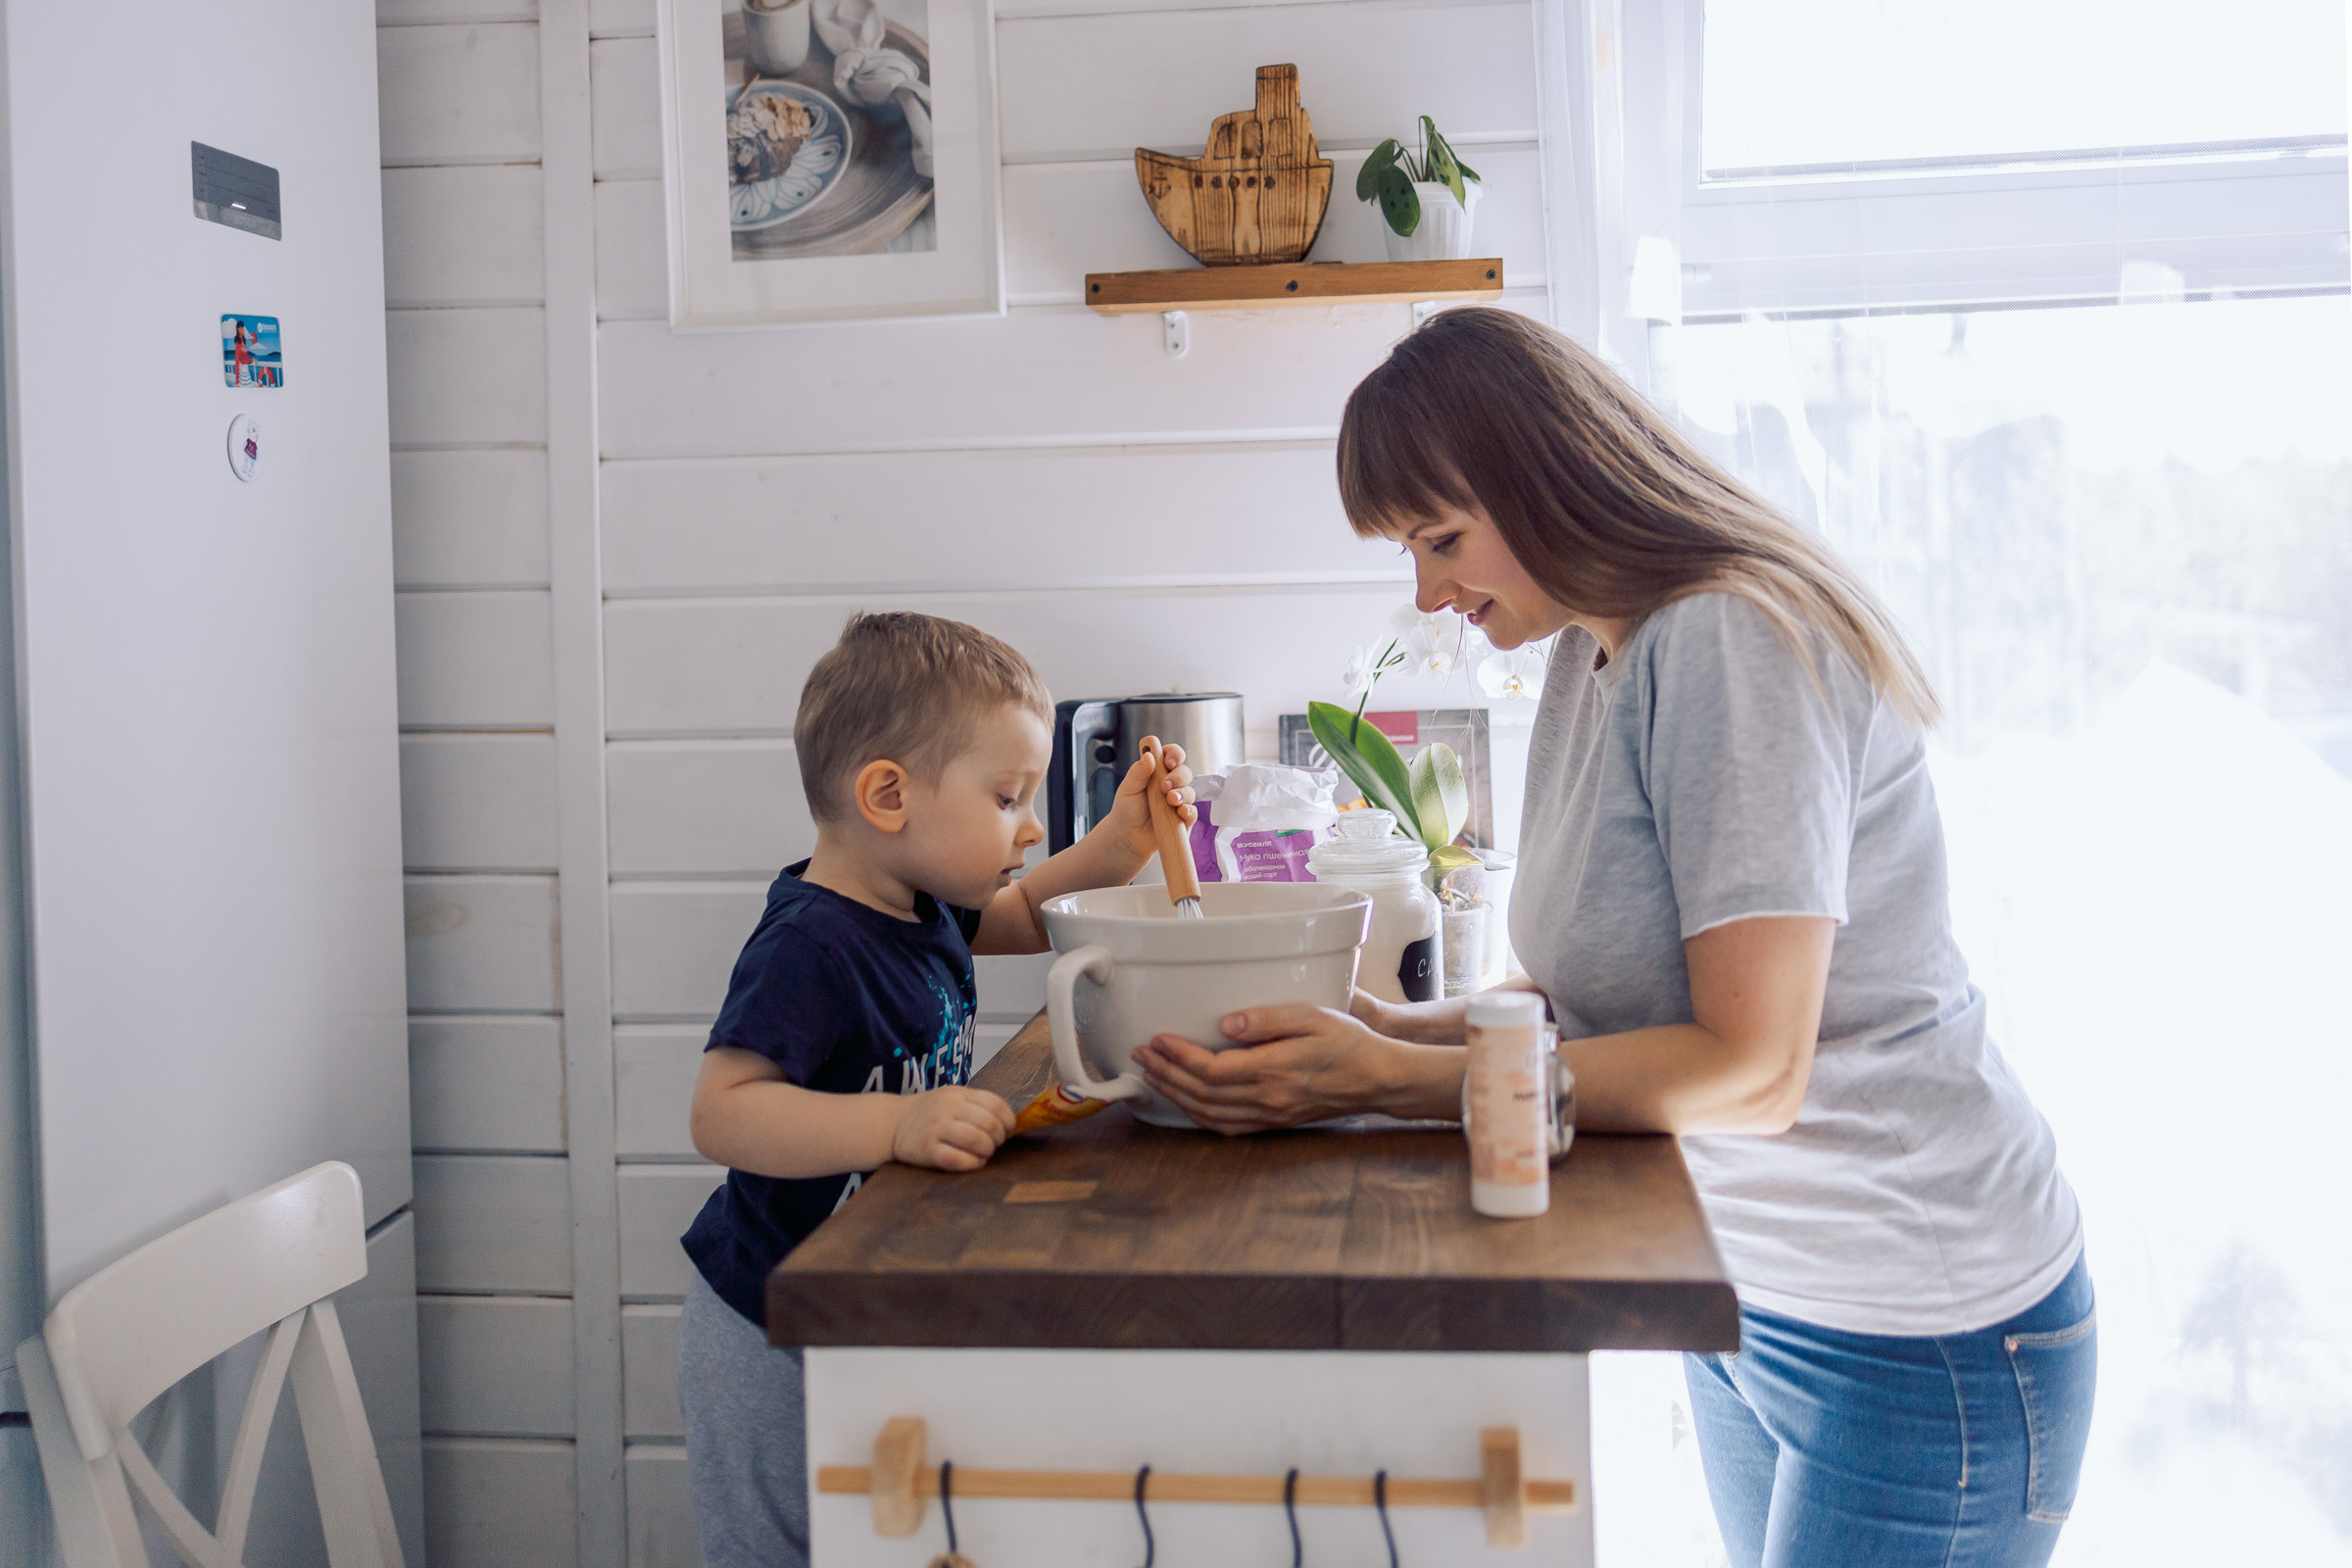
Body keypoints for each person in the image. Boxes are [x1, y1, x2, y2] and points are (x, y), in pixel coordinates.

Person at [1131, 308, 2095, 1568]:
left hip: (1926, 1322)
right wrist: (1383, 1029)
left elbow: (1754, 1069)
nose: (1427, 593)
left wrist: (1404, 1082)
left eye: (1441, 539)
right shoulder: (1595, 655)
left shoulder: (1730, 637)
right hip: (1756, 1295)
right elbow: (1592, 991)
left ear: (1548, 475)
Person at [674, 611, 1193, 1568]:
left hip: (860, 1298)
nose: (1031, 825)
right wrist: (899, 1121)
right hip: (766, 1320)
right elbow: (724, 1108)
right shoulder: (810, 945)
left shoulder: (919, 906)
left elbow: (1030, 910)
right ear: (886, 795)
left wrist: (1123, 839)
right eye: (1007, 797)